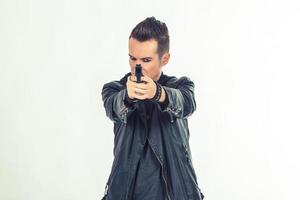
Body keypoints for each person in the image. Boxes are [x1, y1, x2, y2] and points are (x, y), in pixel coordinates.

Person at [101, 16, 205, 200]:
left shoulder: (181, 86)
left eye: (146, 60)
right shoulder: (115, 89)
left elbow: (186, 102)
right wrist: (127, 96)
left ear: (164, 59)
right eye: (132, 58)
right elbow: (113, 106)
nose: (137, 66)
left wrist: (159, 94)